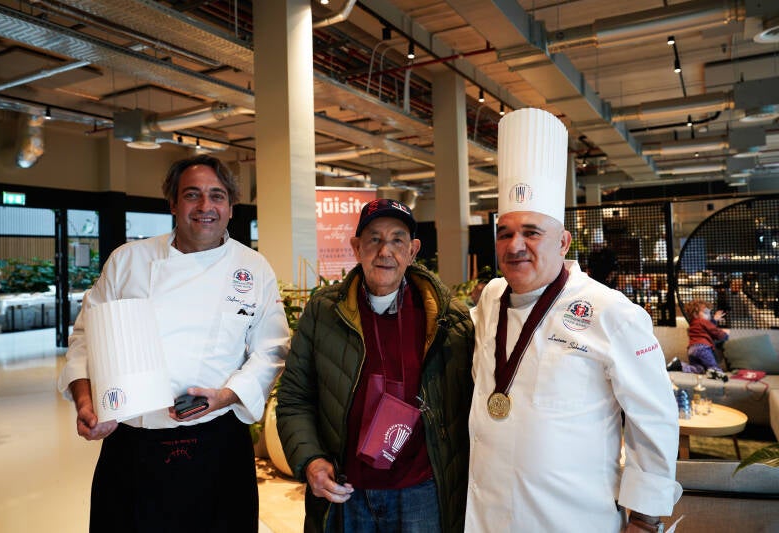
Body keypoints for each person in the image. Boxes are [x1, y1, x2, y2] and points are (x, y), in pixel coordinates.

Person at [466, 108, 681, 533]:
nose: (515, 245)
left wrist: (644, 517)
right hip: (486, 513)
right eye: (505, 233)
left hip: (573, 517)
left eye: (532, 232)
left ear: (563, 242)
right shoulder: (491, 297)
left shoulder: (611, 311)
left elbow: (653, 417)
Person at [57, 154, 290, 532]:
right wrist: (86, 400)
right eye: (192, 195)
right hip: (133, 444)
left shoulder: (253, 268)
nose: (205, 206)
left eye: (217, 196)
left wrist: (226, 396)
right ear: (173, 204)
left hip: (217, 442)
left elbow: (272, 350)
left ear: (231, 207)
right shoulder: (127, 261)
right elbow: (86, 337)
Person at [276, 198, 474, 532]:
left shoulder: (448, 319)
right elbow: (295, 397)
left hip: (421, 493)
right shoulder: (324, 312)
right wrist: (310, 459)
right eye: (374, 239)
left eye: (397, 240)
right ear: (356, 247)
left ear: (412, 251)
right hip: (345, 491)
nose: (385, 251)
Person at [666, 299, 729, 381]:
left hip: (692, 350)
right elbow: (714, 331)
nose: (709, 316)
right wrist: (725, 335)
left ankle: (680, 365)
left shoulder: (693, 324)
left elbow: (706, 329)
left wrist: (713, 320)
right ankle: (716, 372)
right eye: (706, 313)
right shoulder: (702, 321)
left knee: (699, 369)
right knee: (712, 366)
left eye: (709, 313)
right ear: (695, 314)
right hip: (703, 348)